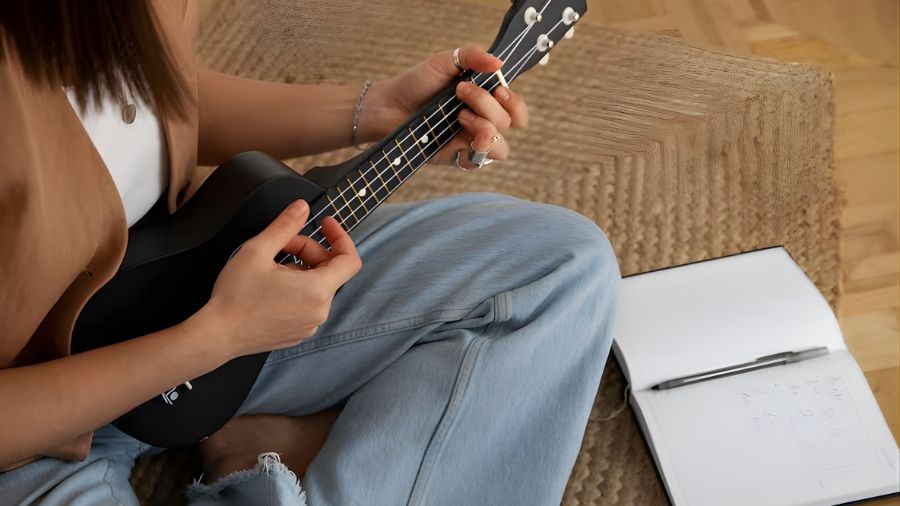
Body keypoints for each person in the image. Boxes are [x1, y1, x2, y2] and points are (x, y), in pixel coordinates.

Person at [0, 1, 620, 505]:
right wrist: (217, 337)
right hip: (31, 435)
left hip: (195, 267)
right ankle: (261, 476)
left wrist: (376, 110)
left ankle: (244, 443)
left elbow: (150, 97)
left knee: (564, 266)